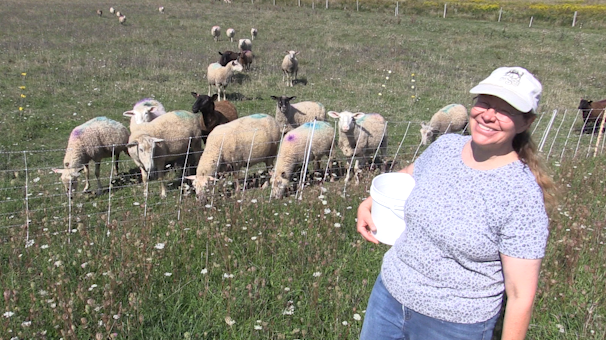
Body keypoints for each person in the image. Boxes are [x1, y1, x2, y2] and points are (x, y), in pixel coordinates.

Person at [356, 66, 556, 340]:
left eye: (506, 110)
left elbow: (521, 295)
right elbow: (403, 179)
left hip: (453, 326)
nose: (489, 115)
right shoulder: (445, 147)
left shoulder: (522, 195)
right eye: (485, 102)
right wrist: (369, 202)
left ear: (525, 122)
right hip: (388, 299)